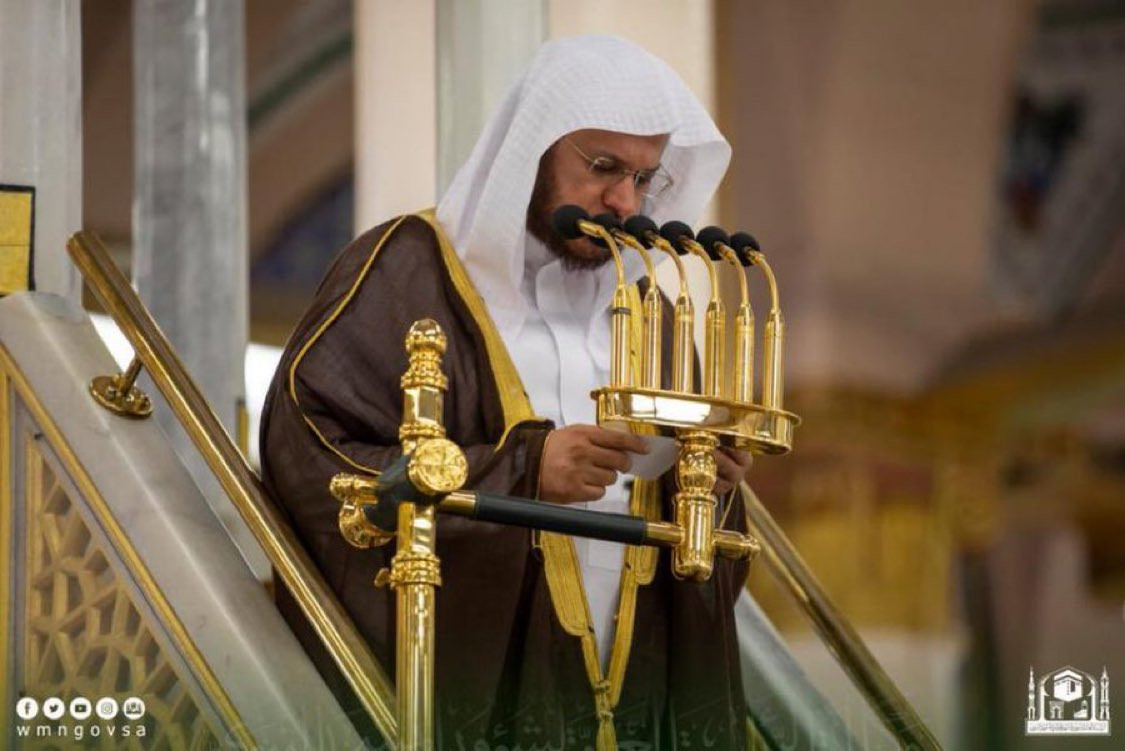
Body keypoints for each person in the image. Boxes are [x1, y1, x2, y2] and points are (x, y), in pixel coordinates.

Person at [260, 35, 754, 749]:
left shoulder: (653, 317)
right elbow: (308, 460)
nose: (623, 201)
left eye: (644, 179)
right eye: (602, 167)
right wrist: (522, 472)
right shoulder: (410, 271)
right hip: (471, 687)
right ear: (534, 151)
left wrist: (709, 482)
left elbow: (707, 552)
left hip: (639, 691)